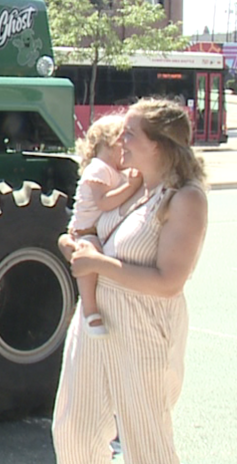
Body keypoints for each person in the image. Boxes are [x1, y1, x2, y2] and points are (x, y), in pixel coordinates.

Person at [53, 98, 209, 464]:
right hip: (94, 327)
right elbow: (92, 232)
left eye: (130, 133)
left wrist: (98, 264)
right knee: (74, 430)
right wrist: (72, 245)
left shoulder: (185, 199)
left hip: (143, 328)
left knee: (146, 441)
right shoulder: (131, 187)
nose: (120, 139)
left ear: (157, 143)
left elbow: (169, 281)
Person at [66, 115, 144, 338]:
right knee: (90, 261)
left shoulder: (112, 171)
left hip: (95, 230)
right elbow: (104, 201)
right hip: (85, 231)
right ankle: (90, 312)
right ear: (112, 144)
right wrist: (130, 186)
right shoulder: (98, 168)